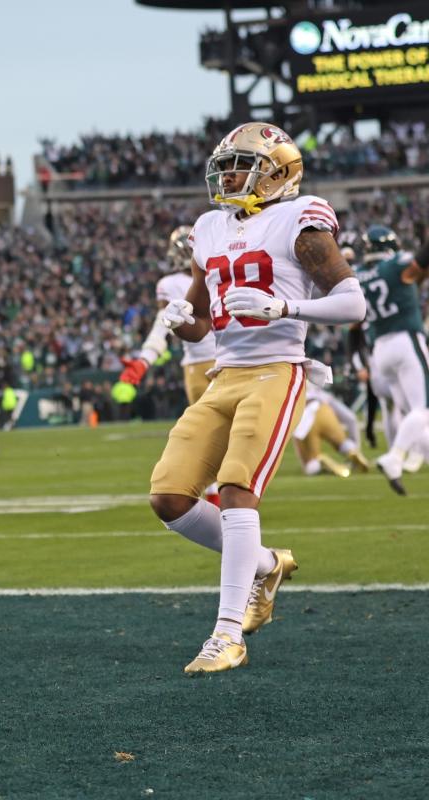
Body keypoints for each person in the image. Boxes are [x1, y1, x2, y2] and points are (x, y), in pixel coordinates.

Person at [147, 122, 365, 674]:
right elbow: (201, 323)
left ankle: (227, 636)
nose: (232, 176)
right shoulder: (209, 227)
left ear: (281, 172)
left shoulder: (301, 218)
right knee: (169, 497)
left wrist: (286, 309)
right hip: (224, 373)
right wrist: (181, 322)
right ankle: (266, 564)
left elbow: (352, 304)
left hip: (278, 368)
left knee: (237, 488)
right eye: (228, 167)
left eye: (245, 166)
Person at [118, 226, 220, 505]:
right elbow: (164, 324)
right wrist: (145, 358)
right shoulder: (214, 273)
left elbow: (161, 326)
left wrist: (145, 359)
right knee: (223, 434)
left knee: (213, 434)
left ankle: (216, 495)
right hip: (220, 362)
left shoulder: (175, 281)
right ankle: (220, 496)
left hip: (206, 366)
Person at [354, 225, 429, 495]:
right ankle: (395, 456)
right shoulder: (395, 264)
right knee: (424, 408)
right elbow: (421, 261)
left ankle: (399, 455)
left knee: (413, 414)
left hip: (379, 351)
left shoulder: (358, 275)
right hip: (405, 339)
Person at [291, 383, 368, 478]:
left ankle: (319, 463)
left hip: (303, 415)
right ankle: (351, 450)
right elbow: (351, 418)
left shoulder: (287, 384)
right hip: (322, 407)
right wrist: (356, 446)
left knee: (310, 463)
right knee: (342, 442)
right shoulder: (315, 385)